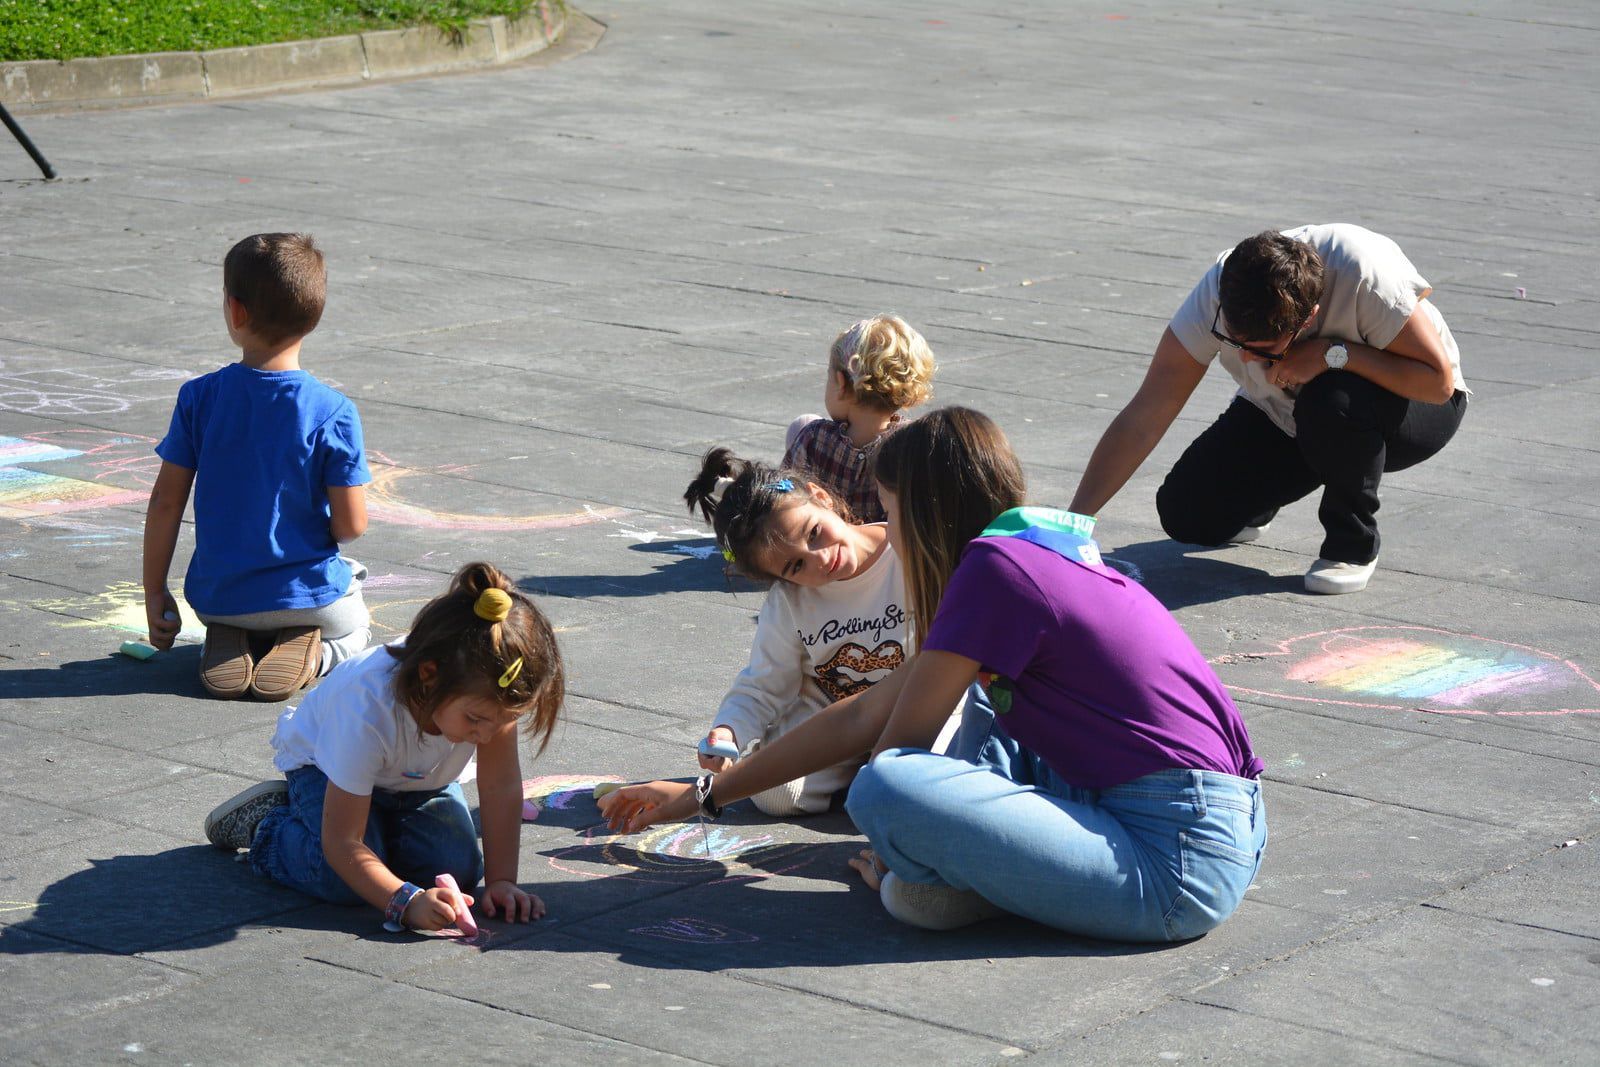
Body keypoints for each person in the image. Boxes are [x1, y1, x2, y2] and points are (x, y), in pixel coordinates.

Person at [603, 408, 1266, 942]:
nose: (884, 524)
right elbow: (866, 710)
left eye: (889, 507)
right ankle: (966, 884)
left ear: (923, 510)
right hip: (1211, 819)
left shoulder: (991, 573)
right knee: (977, 731)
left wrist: (906, 837)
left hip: (1174, 861)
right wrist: (703, 792)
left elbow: (891, 747)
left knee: (885, 785)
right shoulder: (1031, 544)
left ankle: (957, 880)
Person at [1069, 223, 1469, 595]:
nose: (1244, 362)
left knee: (1331, 400)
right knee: (1187, 513)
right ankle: (1270, 495)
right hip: (1289, 411)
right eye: (1234, 341)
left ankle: (1352, 545)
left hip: (1408, 407)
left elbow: (1437, 383)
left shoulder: (1364, 275)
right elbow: (1148, 411)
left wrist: (1335, 353)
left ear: (1309, 318)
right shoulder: (1221, 288)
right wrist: (1075, 521)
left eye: (1260, 351)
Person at [203, 562, 564, 933]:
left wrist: (503, 880)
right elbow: (344, 842)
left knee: (457, 870)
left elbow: (499, 786)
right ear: (429, 675)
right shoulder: (367, 707)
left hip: (416, 779)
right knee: (338, 878)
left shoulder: (489, 697)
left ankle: (379, 832)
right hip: (324, 772)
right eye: (475, 721)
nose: (487, 737)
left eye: (501, 723)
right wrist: (403, 903)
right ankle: (268, 826)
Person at [142, 232, 374, 700]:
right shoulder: (332, 410)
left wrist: (155, 594)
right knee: (357, 627)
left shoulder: (199, 397)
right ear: (314, 317)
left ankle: (234, 638)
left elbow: (167, 503)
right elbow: (352, 525)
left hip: (218, 598)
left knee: (242, 608)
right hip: (309, 599)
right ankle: (317, 654)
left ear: (235, 311)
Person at [683, 446, 912, 816]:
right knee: (774, 795)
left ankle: (870, 778)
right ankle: (857, 774)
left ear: (822, 499)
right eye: (795, 566)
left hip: (914, 701)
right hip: (832, 710)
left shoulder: (905, 552)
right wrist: (729, 732)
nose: (820, 558)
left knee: (926, 779)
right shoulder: (790, 601)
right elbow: (762, 684)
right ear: (780, 579)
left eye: (815, 533)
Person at [782, 314, 936, 523]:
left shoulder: (814, 439)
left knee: (801, 424)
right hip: (886, 553)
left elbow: (780, 499)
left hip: (819, 548)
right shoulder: (912, 446)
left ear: (841, 383)